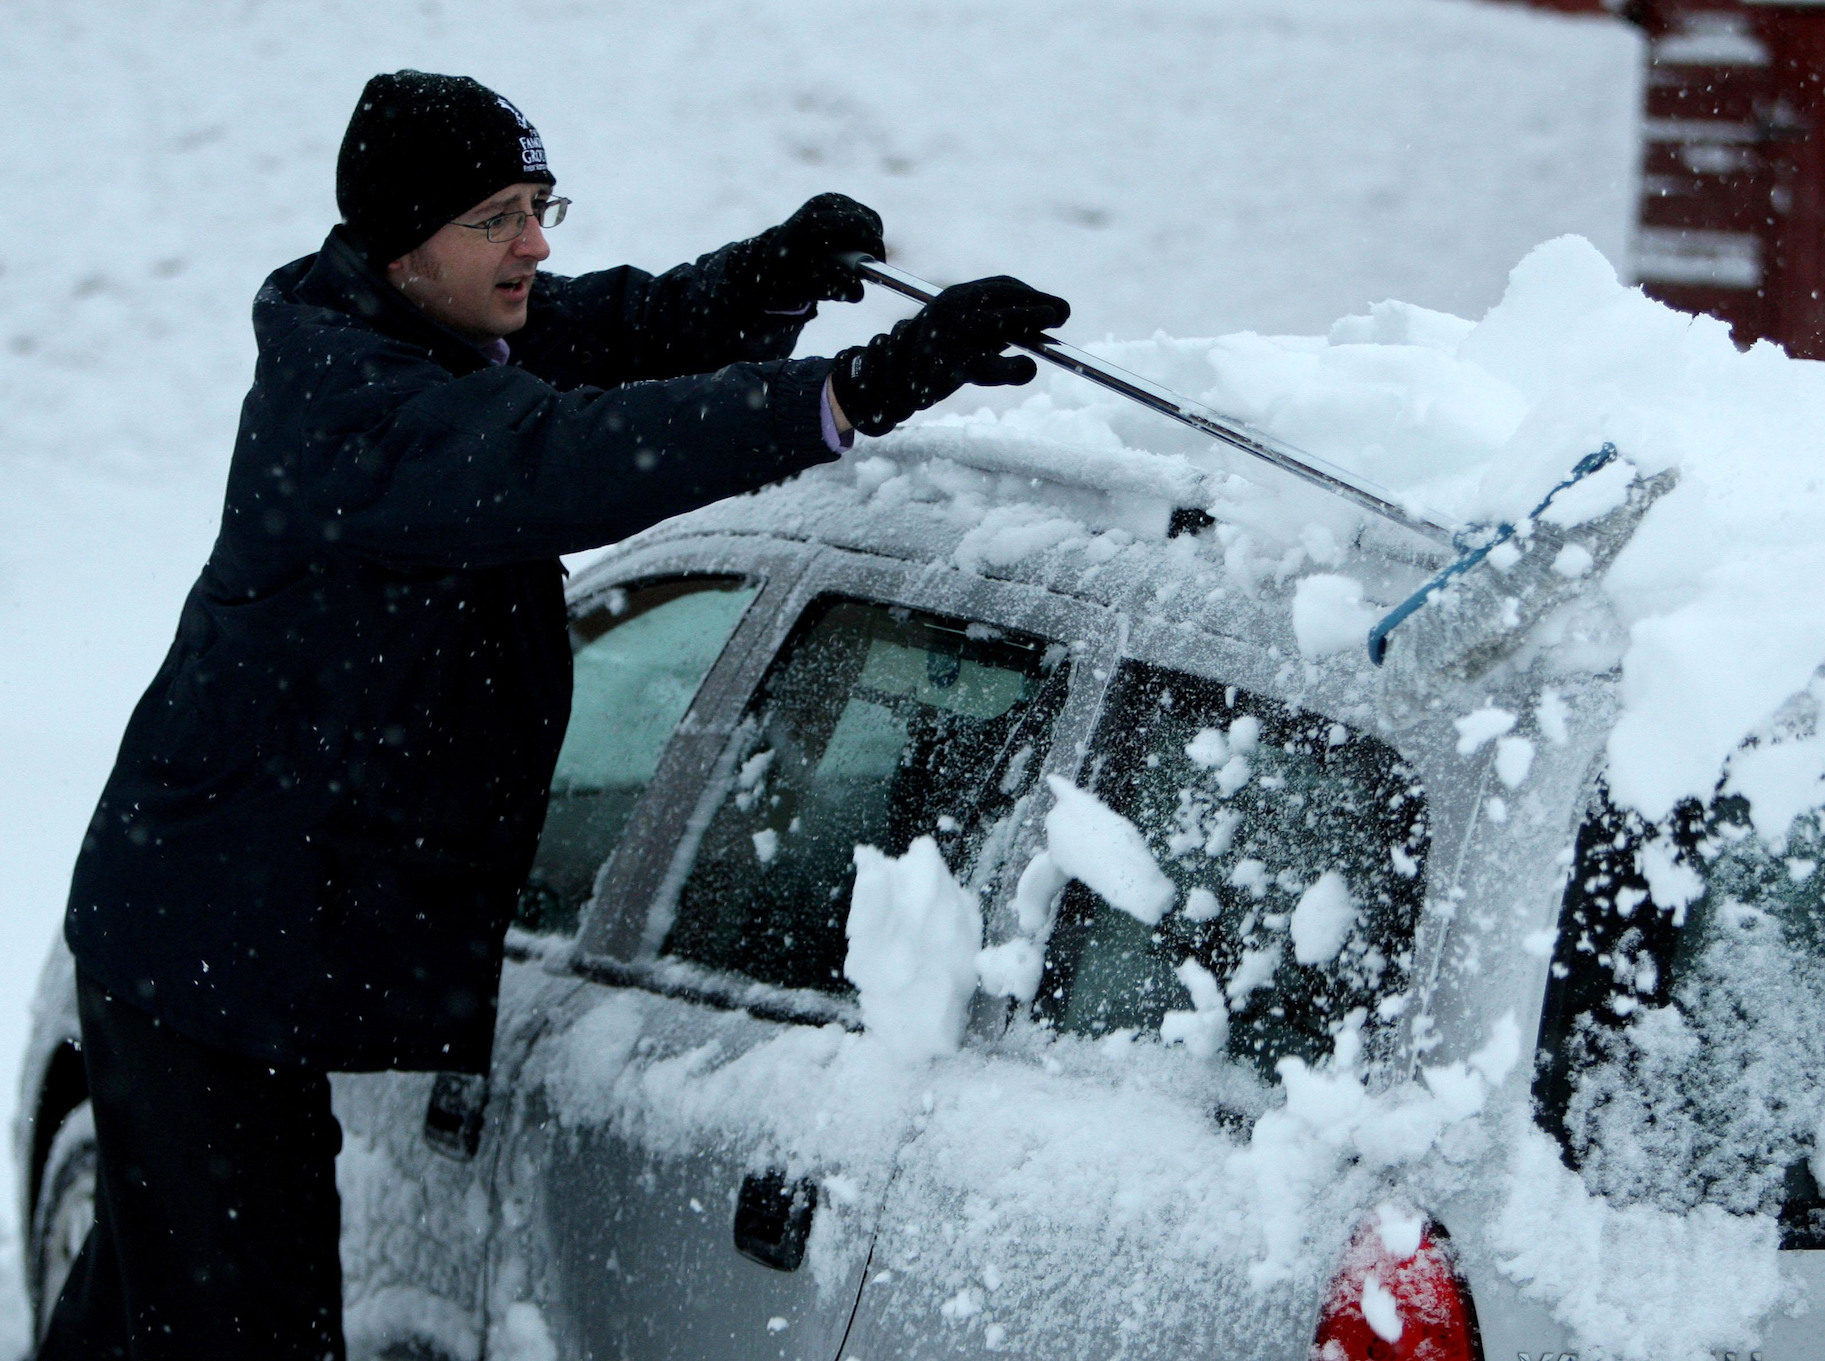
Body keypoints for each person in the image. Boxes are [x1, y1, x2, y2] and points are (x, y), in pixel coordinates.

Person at [43, 70, 1068, 1360]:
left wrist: (762, 282)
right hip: (209, 951)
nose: (534, 244)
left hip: (238, 924)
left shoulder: (428, 320)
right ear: (403, 241)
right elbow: (574, 454)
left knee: (153, 1306)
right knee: (240, 1329)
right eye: (497, 218)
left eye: (541, 205)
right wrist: (855, 389)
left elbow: (615, 332)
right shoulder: (360, 411)